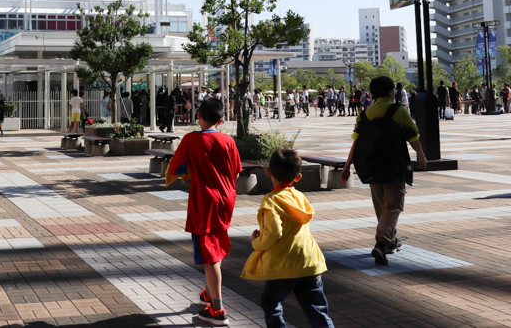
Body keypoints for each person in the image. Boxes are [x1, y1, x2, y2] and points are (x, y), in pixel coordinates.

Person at [166, 99, 242, 326]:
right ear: (221, 119)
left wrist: (188, 173)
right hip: (227, 199)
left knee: (210, 256)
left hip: (204, 201)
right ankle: (209, 292)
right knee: (217, 246)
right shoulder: (228, 140)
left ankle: (217, 310)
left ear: (198, 115)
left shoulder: (191, 139)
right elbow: (236, 171)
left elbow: (174, 168)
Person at [241, 148, 334, 328]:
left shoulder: (271, 200)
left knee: (270, 302)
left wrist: (257, 242)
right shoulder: (300, 197)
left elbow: (274, 233)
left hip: (282, 263)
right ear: (298, 177)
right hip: (309, 261)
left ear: (268, 172)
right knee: (316, 308)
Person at [340, 76, 428, 266]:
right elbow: (413, 136)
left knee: (381, 206)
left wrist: (347, 167)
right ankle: (381, 243)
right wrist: (421, 155)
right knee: (394, 206)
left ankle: (391, 240)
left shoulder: (364, 114)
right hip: (393, 166)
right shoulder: (399, 111)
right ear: (391, 92)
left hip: (371, 166)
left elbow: (356, 142)